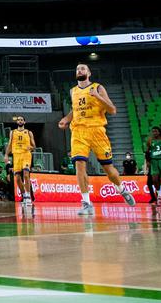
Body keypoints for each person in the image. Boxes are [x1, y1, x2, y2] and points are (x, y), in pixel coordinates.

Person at [57, 63, 135, 214]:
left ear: (89, 73)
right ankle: (86, 203)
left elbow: (112, 110)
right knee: (79, 164)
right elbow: (75, 110)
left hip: (97, 130)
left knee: (109, 170)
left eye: (83, 68)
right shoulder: (73, 91)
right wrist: (66, 119)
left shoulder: (98, 88)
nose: (79, 70)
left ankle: (122, 189)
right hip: (79, 131)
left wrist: (97, 96)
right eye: (77, 69)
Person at [7, 115, 36, 204]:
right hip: (16, 156)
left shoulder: (28, 132)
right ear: (17, 122)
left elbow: (34, 146)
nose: (20, 121)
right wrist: (6, 155)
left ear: (24, 122)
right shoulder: (13, 132)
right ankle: (24, 195)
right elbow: (9, 144)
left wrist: (30, 147)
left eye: (21, 120)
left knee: (26, 175)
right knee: (17, 179)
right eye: (18, 120)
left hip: (26, 155)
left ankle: (28, 195)